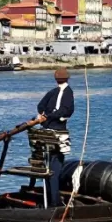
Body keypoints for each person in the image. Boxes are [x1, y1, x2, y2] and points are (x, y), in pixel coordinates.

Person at [29, 67, 75, 207]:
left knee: (47, 165)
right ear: (67, 78)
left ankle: (47, 197)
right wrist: (52, 116)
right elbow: (67, 110)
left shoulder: (52, 92)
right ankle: (54, 202)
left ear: (56, 79)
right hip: (57, 134)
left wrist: (44, 116)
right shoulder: (68, 92)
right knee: (55, 168)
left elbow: (40, 106)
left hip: (44, 134)